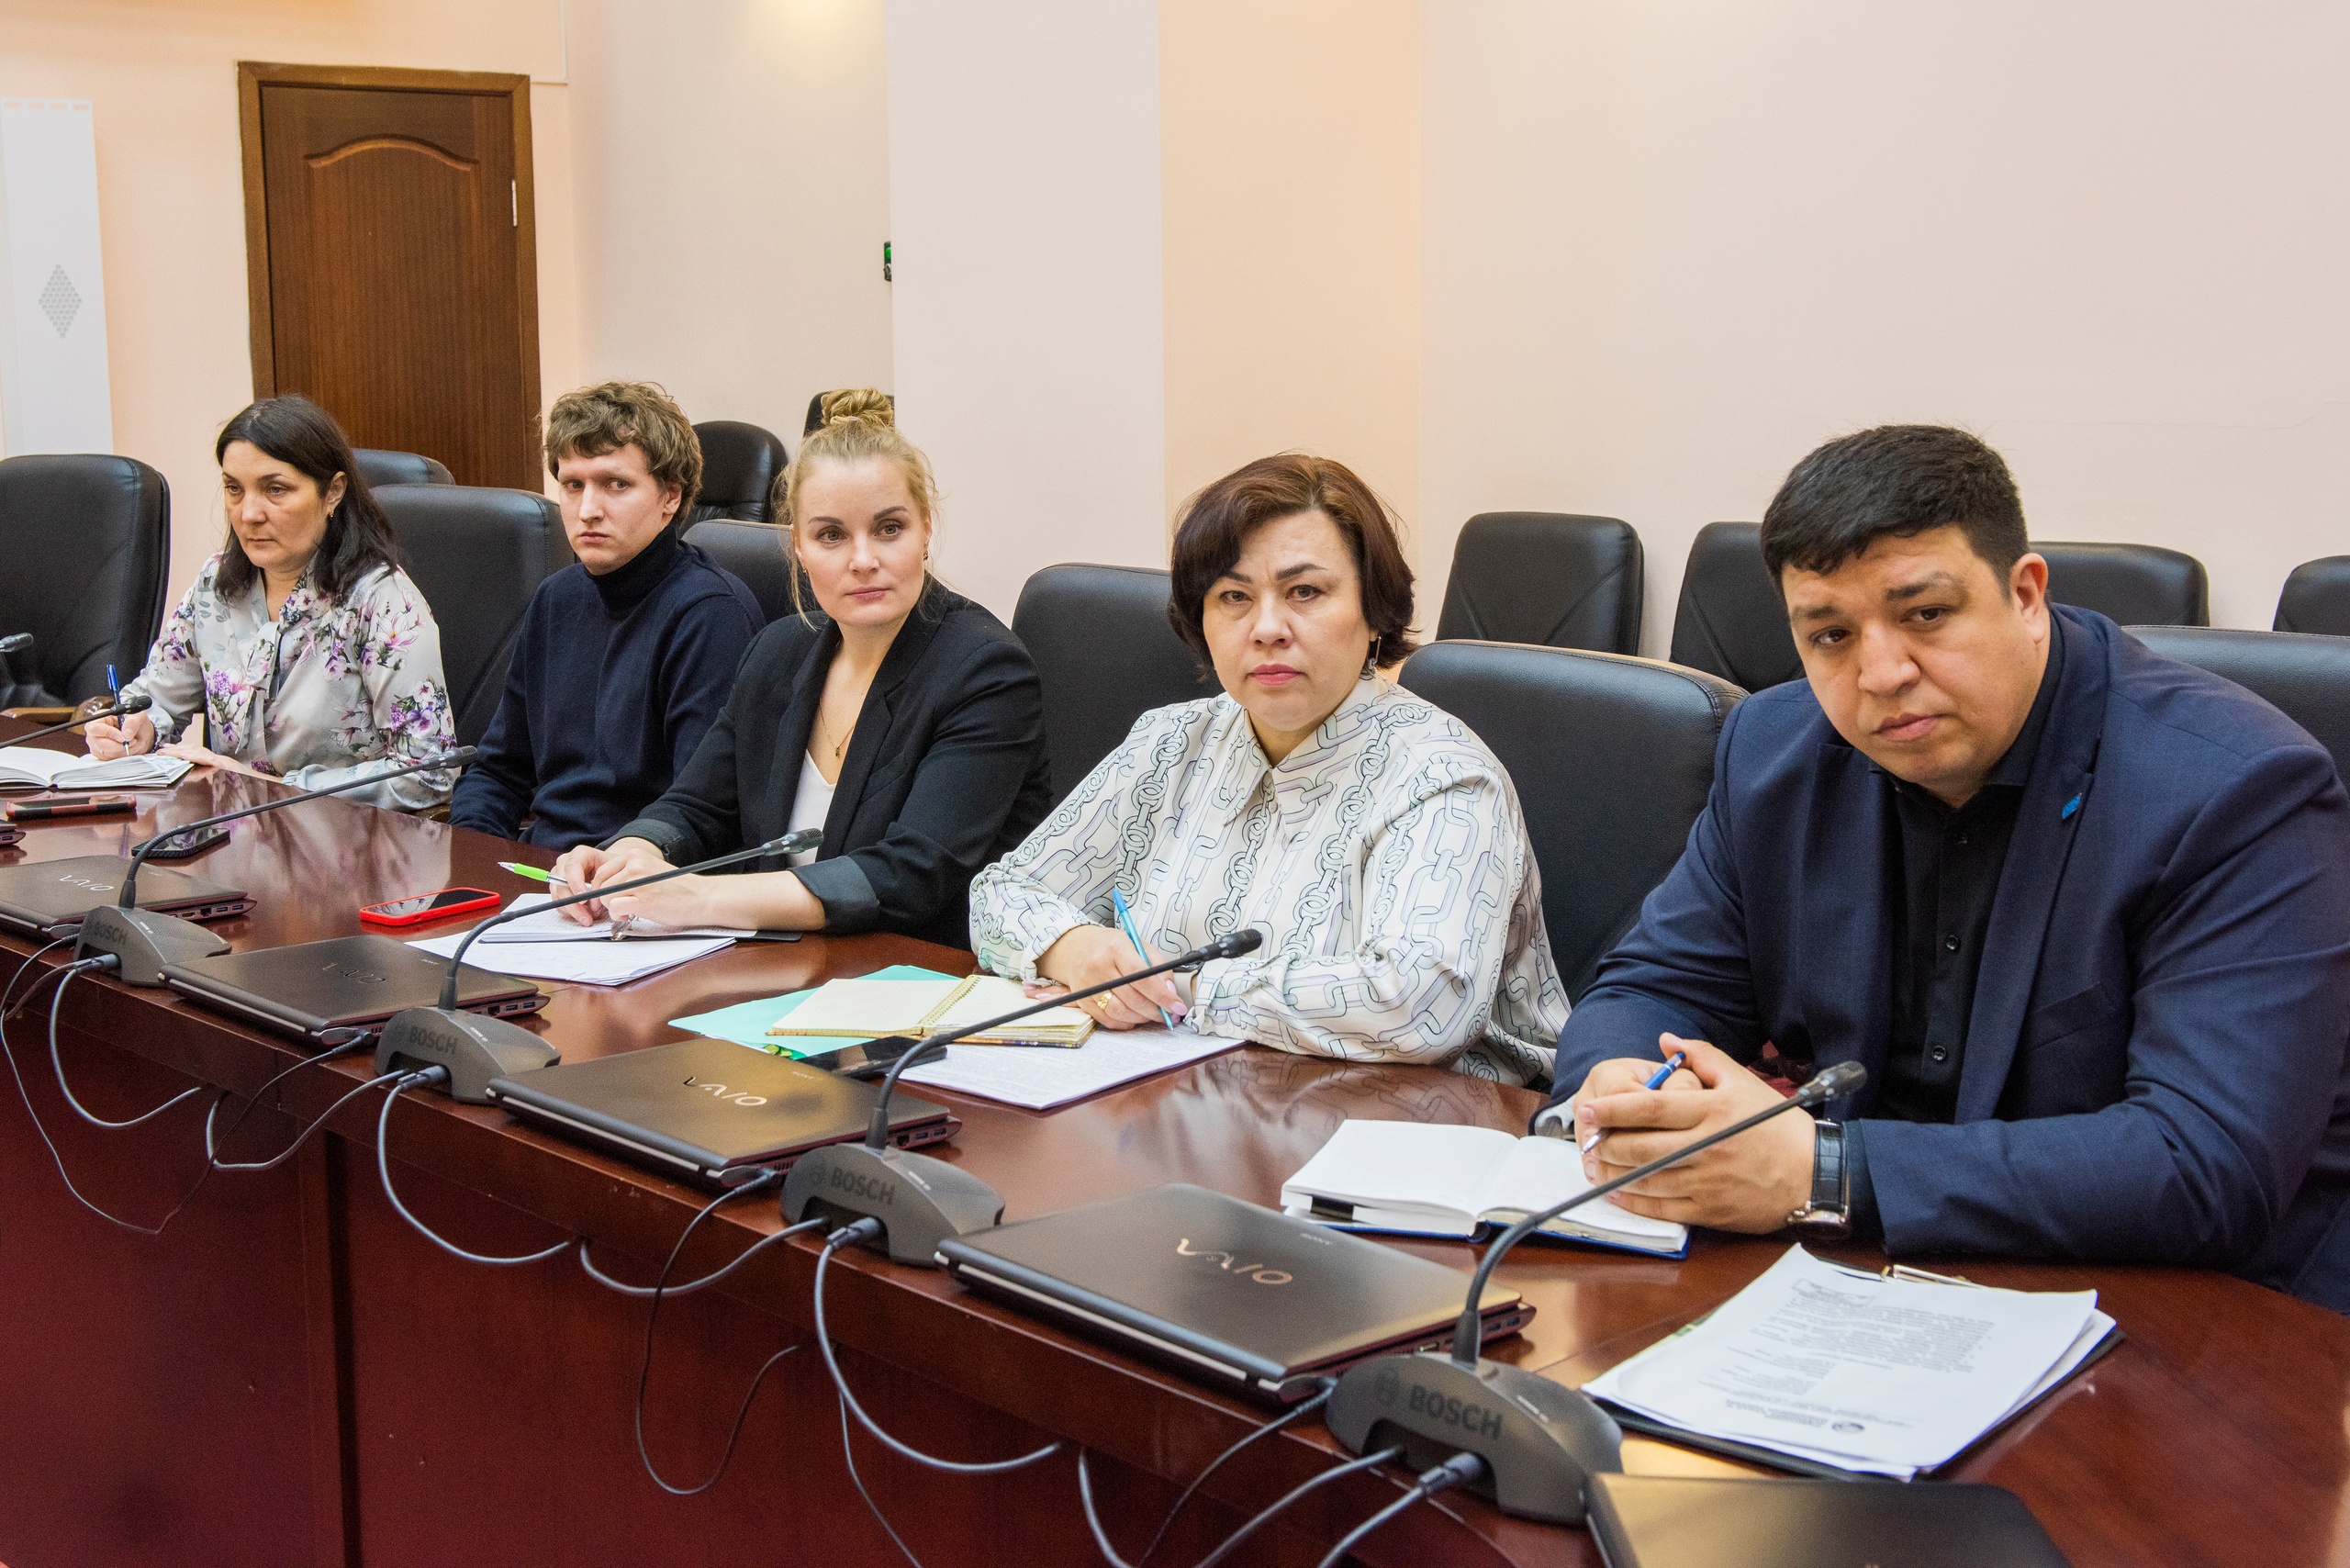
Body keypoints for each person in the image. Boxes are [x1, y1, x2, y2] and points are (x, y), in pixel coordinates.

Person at [1539, 425, 2350, 1312]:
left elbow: (2204, 1163)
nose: (1881, 674)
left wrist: (1825, 1171)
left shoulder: (2236, 788)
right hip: (1874, 1281)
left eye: (1924, 614)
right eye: (1831, 635)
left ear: (2026, 595)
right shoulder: (1773, 752)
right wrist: (1618, 1093)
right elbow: (1654, 985)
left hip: (2200, 1309)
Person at [968, 454, 1568, 1086]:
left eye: (1305, 592)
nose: (1267, 628)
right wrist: (1072, 948)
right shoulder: (1171, 743)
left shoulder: (1443, 778)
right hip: (1189, 1098)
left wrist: (1181, 987)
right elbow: (1002, 892)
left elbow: (1419, 1004)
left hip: (1411, 1118)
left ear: (1374, 613)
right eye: (1234, 597)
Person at [549, 389, 1053, 947]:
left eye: (889, 529)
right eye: (831, 536)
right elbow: (698, 805)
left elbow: (910, 874)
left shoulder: (986, 671)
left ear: (926, 530)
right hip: (784, 965)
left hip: (921, 969)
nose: (863, 560)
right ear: (799, 548)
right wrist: (633, 853)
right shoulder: (778, 651)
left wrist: (699, 898)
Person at [85, 396, 457, 812]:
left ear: (333, 492)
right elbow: (157, 698)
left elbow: (429, 773)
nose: (248, 514)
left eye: (275, 490)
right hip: (229, 836)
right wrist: (137, 730)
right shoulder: (215, 583)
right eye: (234, 489)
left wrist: (272, 787)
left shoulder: (382, 602)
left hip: (343, 839)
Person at [447, 383, 764, 847]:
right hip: (539, 869)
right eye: (573, 485)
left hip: (637, 872)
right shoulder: (556, 598)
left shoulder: (711, 615)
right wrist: (474, 854)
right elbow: (499, 770)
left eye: (616, 484)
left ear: (670, 497)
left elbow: (701, 811)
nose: (588, 510)